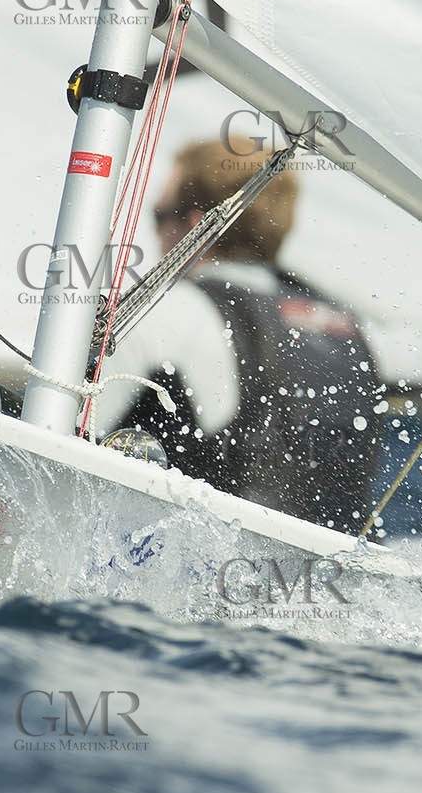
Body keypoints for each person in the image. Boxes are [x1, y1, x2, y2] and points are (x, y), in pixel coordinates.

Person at [92, 137, 386, 532]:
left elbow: (59, 440)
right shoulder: (346, 323)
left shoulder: (166, 313)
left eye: (159, 216)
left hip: (213, 558)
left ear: (196, 224)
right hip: (340, 560)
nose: (155, 231)